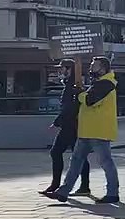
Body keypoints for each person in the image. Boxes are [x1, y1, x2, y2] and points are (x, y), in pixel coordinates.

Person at [49, 56, 121, 204]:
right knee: (76, 161)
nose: (91, 68)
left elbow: (90, 101)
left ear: (103, 68)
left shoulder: (107, 84)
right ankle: (63, 191)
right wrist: (82, 93)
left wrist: (80, 94)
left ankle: (113, 193)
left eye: (94, 66)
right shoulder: (99, 83)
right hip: (87, 130)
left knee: (106, 162)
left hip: (99, 131)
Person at [41, 59, 91, 198]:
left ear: (69, 70)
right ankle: (84, 186)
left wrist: (57, 122)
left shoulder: (72, 86)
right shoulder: (72, 85)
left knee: (56, 152)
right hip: (73, 125)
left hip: (70, 126)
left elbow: (70, 108)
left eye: (62, 68)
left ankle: (57, 184)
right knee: (79, 156)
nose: (59, 71)